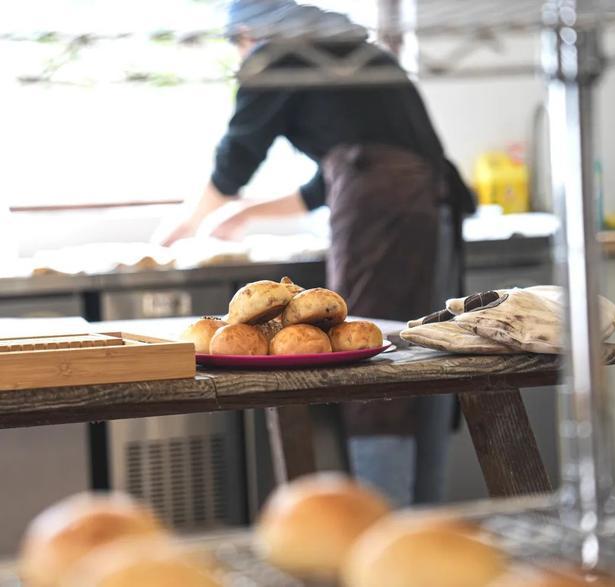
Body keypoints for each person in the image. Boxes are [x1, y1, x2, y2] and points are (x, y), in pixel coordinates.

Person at [154, 0, 475, 506]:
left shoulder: (279, 50)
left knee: (375, 364)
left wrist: (176, 233)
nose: (241, 58)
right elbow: (337, 175)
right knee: (424, 353)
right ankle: (420, 517)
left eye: (237, 45)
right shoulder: (345, 48)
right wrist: (244, 214)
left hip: (383, 215)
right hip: (429, 209)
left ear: (248, 33)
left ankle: (382, 519)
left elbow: (237, 155)